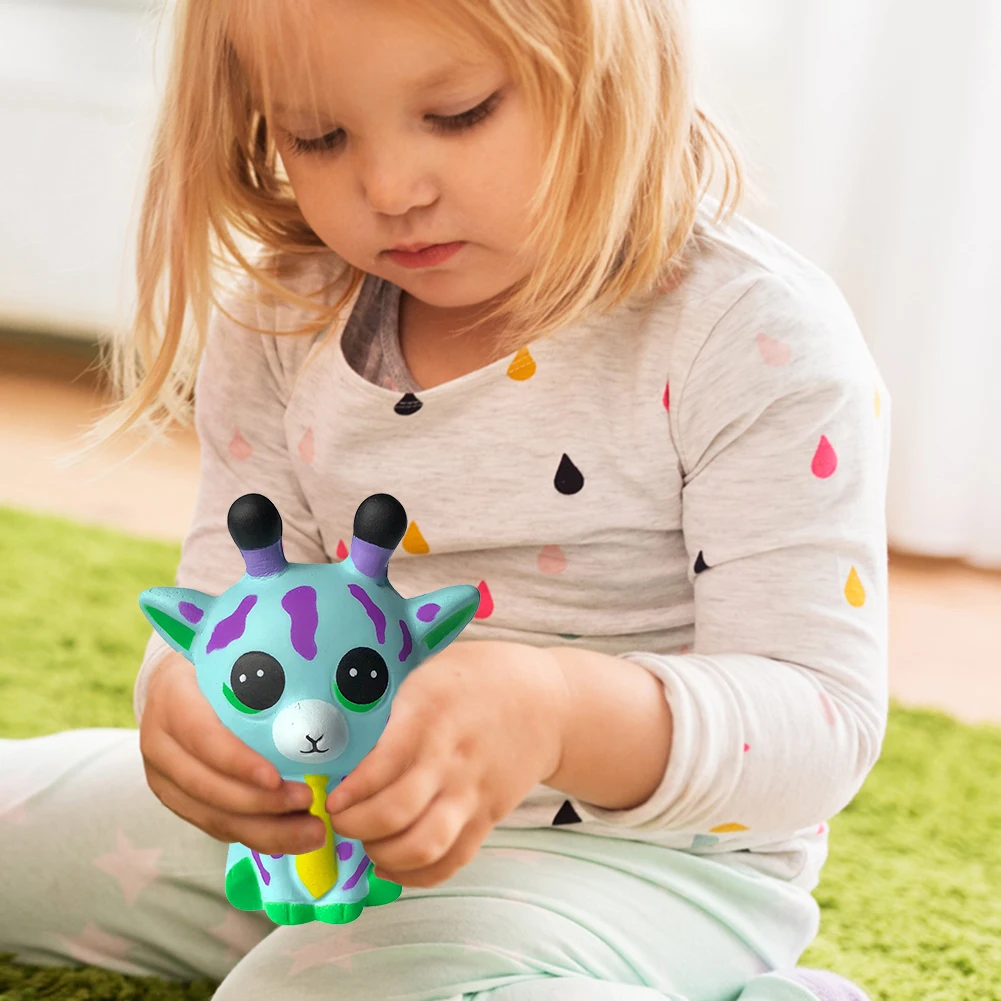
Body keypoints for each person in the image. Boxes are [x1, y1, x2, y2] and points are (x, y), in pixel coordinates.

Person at [0, 0, 890, 997]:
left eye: (459, 113)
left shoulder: (749, 335)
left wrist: (553, 711)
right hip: (322, 831)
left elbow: (819, 724)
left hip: (646, 864)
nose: (390, 189)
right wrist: (184, 705)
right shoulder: (286, 313)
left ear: (614, 65)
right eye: (318, 136)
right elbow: (227, 600)